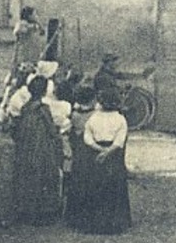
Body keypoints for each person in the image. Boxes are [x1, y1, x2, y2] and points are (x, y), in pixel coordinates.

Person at [66, 87, 132, 234]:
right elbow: (119, 141)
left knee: (95, 186)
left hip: (95, 153)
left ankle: (95, 223)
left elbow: (87, 139)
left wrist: (99, 149)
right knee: (114, 187)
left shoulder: (93, 118)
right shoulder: (120, 119)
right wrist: (108, 151)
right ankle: (115, 223)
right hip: (113, 155)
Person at [11, 75, 63, 225]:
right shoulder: (43, 109)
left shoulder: (25, 107)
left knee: (27, 176)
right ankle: (43, 212)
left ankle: (26, 210)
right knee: (45, 176)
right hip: (42, 147)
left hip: (26, 146)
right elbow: (51, 130)